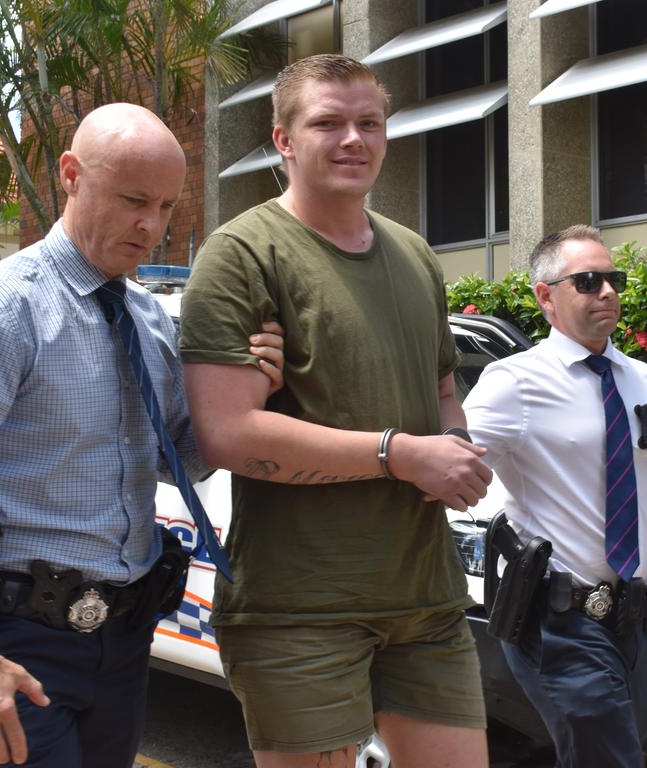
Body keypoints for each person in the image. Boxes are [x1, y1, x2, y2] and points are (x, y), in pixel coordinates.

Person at [0, 103, 285, 768]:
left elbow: (179, 460)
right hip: (20, 639)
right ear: (71, 174)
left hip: (125, 640)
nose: (151, 227)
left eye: (164, 206)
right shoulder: (0, 311)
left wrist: (247, 387)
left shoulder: (148, 320)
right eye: (134, 200)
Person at [178, 54, 492, 768]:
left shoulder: (414, 254)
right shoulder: (241, 254)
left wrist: (456, 449)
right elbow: (228, 433)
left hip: (426, 599)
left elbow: (442, 392)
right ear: (284, 140)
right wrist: (402, 455)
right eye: (328, 123)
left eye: (369, 123)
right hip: (298, 608)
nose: (353, 139)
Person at [462, 225, 647, 768]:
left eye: (613, 279)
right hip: (558, 620)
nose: (607, 292)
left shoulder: (641, 378)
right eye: (588, 280)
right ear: (545, 296)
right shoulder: (513, 382)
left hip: (632, 622)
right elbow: (447, 466)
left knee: (613, 749)